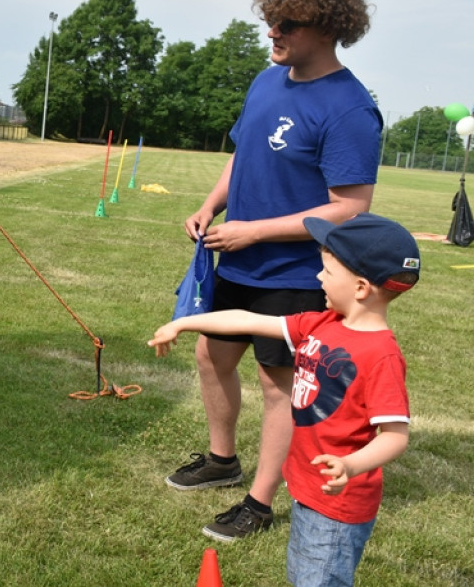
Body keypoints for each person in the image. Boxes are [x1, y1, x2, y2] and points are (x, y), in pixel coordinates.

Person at [167, 0, 384, 541]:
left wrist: (256, 231)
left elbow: (350, 207)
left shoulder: (350, 108)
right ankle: (222, 460)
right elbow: (243, 156)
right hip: (238, 259)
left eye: (287, 23)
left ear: (327, 27)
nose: (273, 32)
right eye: (271, 19)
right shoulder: (266, 81)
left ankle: (259, 502)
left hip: (297, 273)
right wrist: (211, 206)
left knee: (278, 386)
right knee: (211, 357)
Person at [149, 213, 418, 586]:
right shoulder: (322, 323)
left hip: (338, 502)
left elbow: (395, 436)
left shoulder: (380, 354)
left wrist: (350, 465)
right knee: (304, 573)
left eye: (327, 271)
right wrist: (183, 323)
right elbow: (247, 320)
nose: (318, 277)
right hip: (307, 487)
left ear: (360, 288)